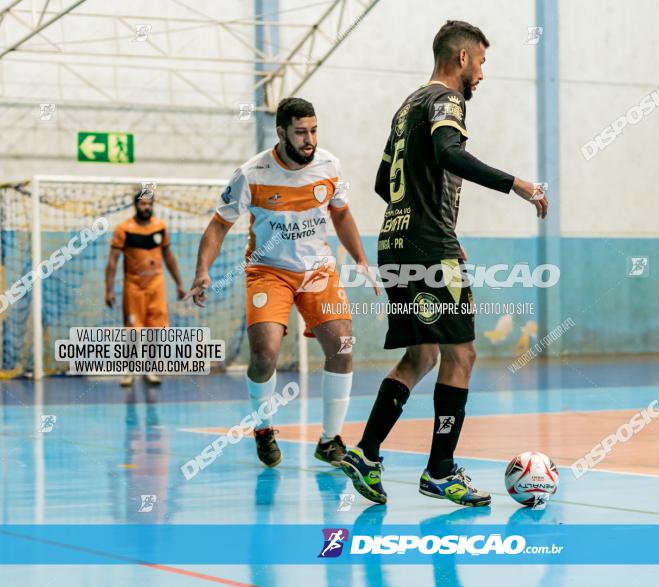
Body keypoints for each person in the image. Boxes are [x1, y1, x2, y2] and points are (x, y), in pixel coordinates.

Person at [340, 20, 549, 507]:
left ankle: (367, 453)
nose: (482, 73)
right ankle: (439, 472)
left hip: (395, 241)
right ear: (461, 58)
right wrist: (515, 183)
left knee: (424, 354)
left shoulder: (406, 106)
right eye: (481, 62)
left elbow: (380, 181)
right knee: (462, 355)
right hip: (428, 247)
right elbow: (448, 153)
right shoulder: (445, 101)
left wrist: (427, 222)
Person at [185, 97, 377, 468]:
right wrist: (202, 271)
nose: (310, 140)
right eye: (301, 132)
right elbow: (218, 225)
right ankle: (262, 427)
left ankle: (329, 440)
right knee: (265, 354)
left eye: (314, 130)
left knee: (342, 347)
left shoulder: (329, 165)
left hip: (318, 271)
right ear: (281, 133)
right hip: (268, 270)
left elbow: (342, 215)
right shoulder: (252, 174)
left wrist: (362, 259)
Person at [105, 190, 185, 387]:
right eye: (143, 204)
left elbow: (169, 257)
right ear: (135, 205)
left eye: (150, 204)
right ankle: (130, 371)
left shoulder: (160, 227)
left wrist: (179, 284)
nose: (146, 207)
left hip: (156, 286)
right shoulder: (123, 229)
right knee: (133, 332)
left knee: (156, 331)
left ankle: (150, 369)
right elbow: (113, 262)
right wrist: (108, 290)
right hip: (133, 287)